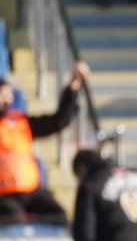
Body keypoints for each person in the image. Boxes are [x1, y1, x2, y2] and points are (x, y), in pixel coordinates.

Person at [0, 61, 89, 225]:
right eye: (2, 95)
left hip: (30, 190)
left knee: (59, 216)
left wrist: (73, 84)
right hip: (4, 195)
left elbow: (58, 121)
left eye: (9, 95)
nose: (7, 100)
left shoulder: (21, 123)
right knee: (14, 222)